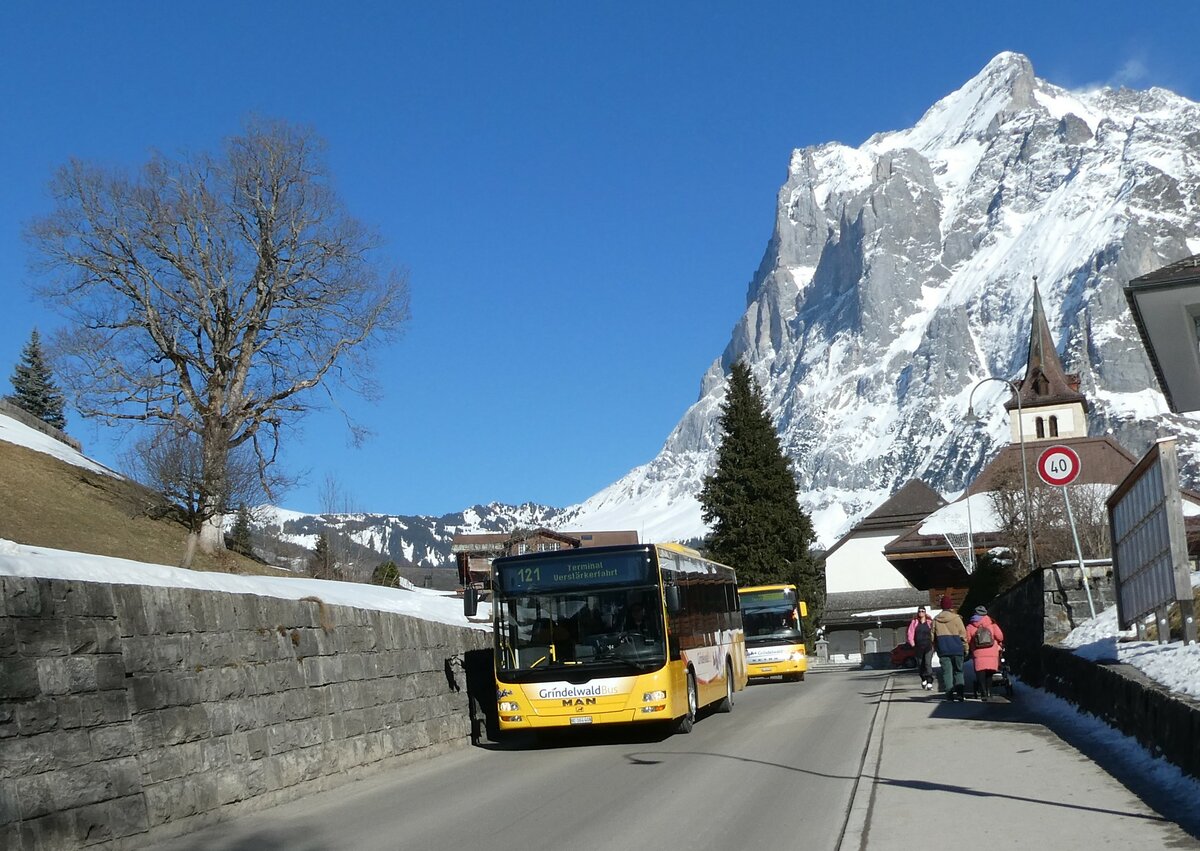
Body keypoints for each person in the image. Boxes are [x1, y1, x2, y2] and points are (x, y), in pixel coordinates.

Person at [932, 594, 968, 701]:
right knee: (959, 671)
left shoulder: (936, 620)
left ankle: (949, 694)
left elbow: (932, 637)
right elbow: (963, 635)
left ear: (941, 606)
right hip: (957, 649)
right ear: (950, 606)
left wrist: (937, 648)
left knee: (947, 673)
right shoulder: (956, 619)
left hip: (943, 650)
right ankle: (960, 694)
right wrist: (966, 648)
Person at [966, 605, 1005, 701]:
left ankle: (983, 693)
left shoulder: (970, 626)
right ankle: (989, 692)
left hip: (978, 653)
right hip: (992, 652)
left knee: (980, 674)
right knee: (989, 674)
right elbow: (1000, 637)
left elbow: (967, 639)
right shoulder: (992, 623)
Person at [906, 606, 936, 690]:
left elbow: (933, 633)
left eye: (923, 611)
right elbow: (910, 633)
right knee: (920, 664)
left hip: (928, 646)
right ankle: (923, 678)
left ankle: (929, 681)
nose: (921, 613)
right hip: (918, 647)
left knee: (927, 663)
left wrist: (934, 644)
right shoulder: (914, 622)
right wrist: (912, 643)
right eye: (920, 611)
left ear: (925, 612)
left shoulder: (930, 622)